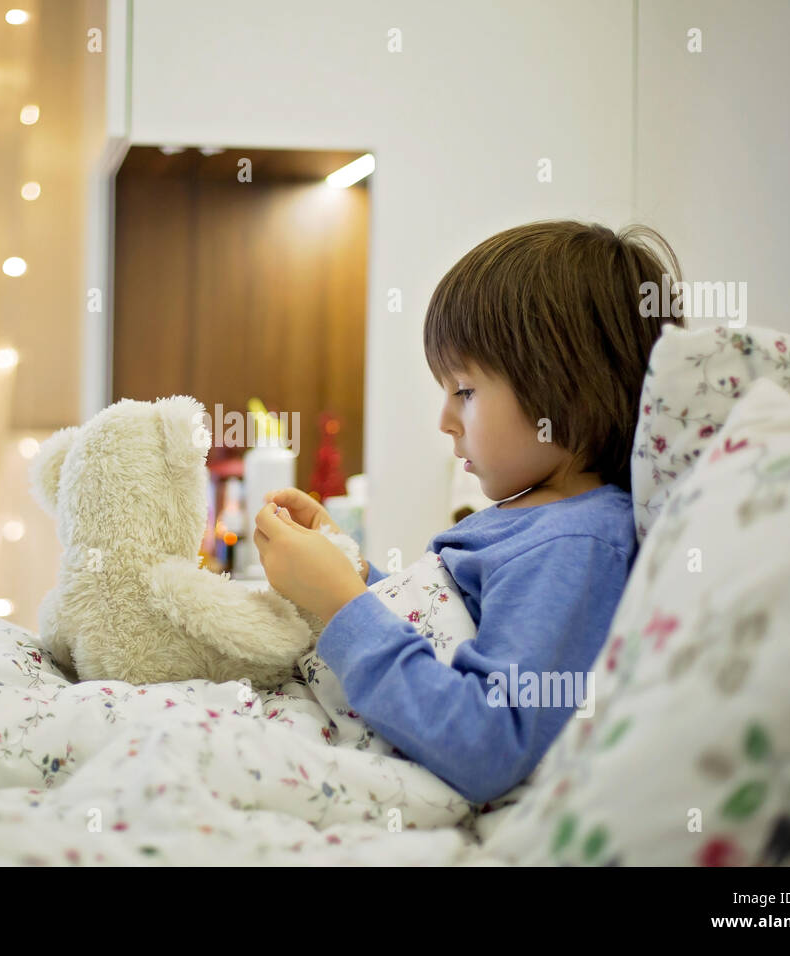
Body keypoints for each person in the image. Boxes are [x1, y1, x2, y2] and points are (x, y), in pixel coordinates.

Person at [253, 219, 686, 805]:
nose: (444, 419)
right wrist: (351, 570)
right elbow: (445, 633)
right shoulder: (527, 518)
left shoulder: (576, 543)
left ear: (567, 391)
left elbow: (488, 743)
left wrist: (342, 605)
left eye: (465, 390)